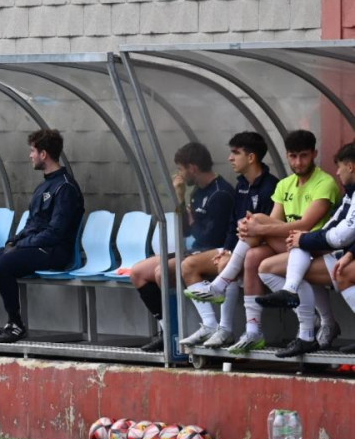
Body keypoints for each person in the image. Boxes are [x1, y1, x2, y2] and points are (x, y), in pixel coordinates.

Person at [185, 130, 341, 356]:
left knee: (258, 223)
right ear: (287, 155)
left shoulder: (324, 182)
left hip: (316, 247)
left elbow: (306, 226)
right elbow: (276, 222)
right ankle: (253, 329)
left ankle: (222, 282)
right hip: (291, 246)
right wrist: (253, 227)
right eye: (293, 156)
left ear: (314, 154)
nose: (298, 162)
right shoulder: (285, 184)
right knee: (254, 256)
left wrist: (257, 228)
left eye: (304, 156)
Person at [0, 129, 84, 343]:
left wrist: (22, 244)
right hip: (31, 247)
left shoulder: (65, 187)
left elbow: (55, 233)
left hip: (54, 252)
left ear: (44, 154)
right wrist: (14, 240)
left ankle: (15, 324)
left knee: (1, 264)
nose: (30, 156)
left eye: (33, 151)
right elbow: (33, 223)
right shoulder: (44, 185)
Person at [177, 133, 279, 349]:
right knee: (188, 265)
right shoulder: (241, 185)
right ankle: (210, 326)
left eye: (235, 153)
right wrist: (227, 249)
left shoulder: (270, 186)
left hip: (265, 249)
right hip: (241, 247)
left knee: (226, 261)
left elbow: (268, 228)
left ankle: (225, 328)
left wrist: (230, 252)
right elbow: (234, 224)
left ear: (251, 158)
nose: (230, 158)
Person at [130, 142, 234, 352]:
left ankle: (177, 331)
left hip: (214, 253)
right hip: (195, 250)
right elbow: (185, 232)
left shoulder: (220, 194)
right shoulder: (196, 192)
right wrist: (179, 199)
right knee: (138, 272)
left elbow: (211, 237)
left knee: (162, 273)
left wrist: (193, 220)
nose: (179, 174)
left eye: (180, 169)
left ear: (192, 168)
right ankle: (166, 331)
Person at [255, 142, 355, 356]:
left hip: (341, 253)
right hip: (342, 253)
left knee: (300, 266)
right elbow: (335, 226)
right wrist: (306, 240)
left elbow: (343, 235)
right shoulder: (350, 194)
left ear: (351, 167)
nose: (336, 172)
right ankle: (298, 310)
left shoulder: (327, 184)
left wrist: (307, 239)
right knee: (276, 263)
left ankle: (306, 331)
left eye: (339, 167)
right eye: (293, 156)